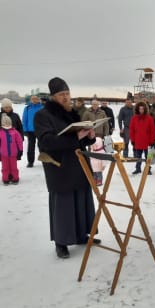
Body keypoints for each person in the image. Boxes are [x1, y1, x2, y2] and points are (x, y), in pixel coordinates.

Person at [34, 77, 99, 259]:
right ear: (53, 97)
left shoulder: (71, 113)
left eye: (67, 94)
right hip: (60, 167)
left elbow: (79, 138)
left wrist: (90, 136)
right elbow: (47, 141)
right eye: (62, 94)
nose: (66, 97)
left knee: (81, 200)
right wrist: (76, 137)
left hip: (78, 165)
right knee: (63, 205)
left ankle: (82, 235)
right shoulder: (42, 116)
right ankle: (61, 243)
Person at [129, 101, 155, 175]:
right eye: (140, 109)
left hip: (147, 141)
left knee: (149, 156)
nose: (141, 110)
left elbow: (152, 130)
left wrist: (152, 141)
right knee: (138, 156)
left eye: (142, 109)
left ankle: (148, 168)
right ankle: (138, 168)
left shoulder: (149, 118)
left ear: (145, 109)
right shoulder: (134, 118)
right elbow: (132, 130)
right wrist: (133, 140)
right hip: (138, 141)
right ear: (137, 109)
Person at [0, 114, 23, 185]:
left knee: (14, 167)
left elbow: (19, 141)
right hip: (4, 154)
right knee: (5, 168)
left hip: (13, 153)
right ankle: (5, 179)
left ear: (10, 123)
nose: (6, 125)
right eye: (5, 123)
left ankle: (15, 178)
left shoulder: (15, 132)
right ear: (2, 123)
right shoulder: (0, 132)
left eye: (8, 123)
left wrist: (20, 150)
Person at [22, 95, 43, 167]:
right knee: (31, 147)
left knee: (42, 146)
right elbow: (24, 119)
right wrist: (25, 130)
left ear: (38, 100)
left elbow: (45, 119)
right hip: (30, 131)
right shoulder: (27, 108)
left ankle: (44, 161)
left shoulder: (42, 108)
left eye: (36, 99)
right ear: (31, 100)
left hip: (40, 130)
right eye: (33, 99)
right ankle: (30, 162)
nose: (34, 100)